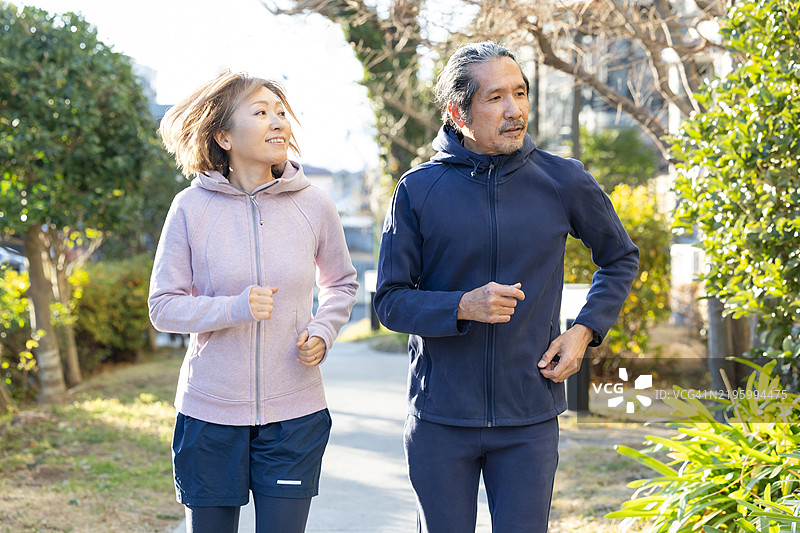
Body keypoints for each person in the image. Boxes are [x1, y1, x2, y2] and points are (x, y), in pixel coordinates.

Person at [374, 42, 639, 532]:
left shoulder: (563, 180)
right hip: (440, 418)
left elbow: (620, 257)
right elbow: (390, 302)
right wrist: (461, 306)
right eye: (495, 98)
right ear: (459, 112)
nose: (515, 109)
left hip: (529, 415)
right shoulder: (417, 189)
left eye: (519, 93)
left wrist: (583, 332)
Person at [149, 71, 358, 533]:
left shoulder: (314, 204)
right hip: (209, 412)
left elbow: (341, 283)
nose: (278, 122)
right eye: (261, 112)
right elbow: (163, 305)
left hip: (294, 414)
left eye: (281, 112)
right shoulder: (189, 208)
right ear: (224, 136)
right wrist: (233, 308)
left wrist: (323, 332)